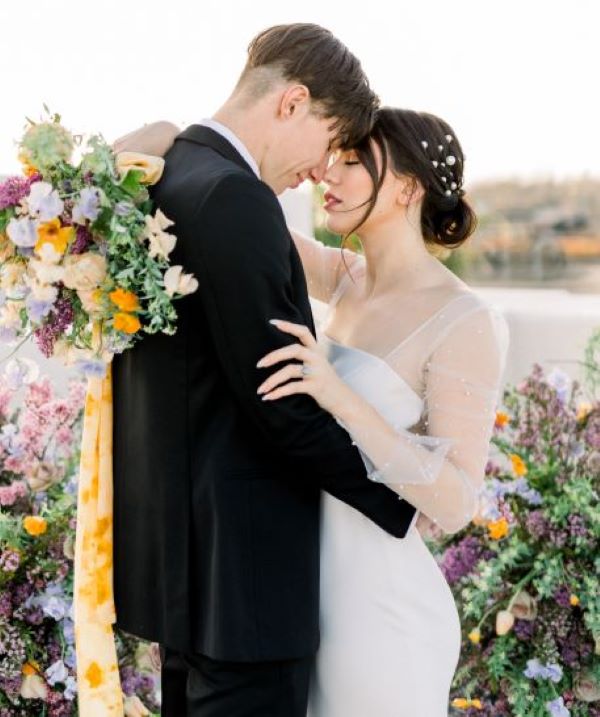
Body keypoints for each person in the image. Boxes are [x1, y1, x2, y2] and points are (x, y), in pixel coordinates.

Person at [128, 106, 510, 716]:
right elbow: (222, 206)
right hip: (298, 597)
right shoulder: (345, 278)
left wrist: (340, 397)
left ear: (408, 187)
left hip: (380, 616)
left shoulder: (465, 321)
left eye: (353, 162)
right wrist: (162, 141)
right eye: (333, 157)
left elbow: (457, 501)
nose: (328, 174)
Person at [111, 24, 417, 717]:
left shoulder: (161, 172)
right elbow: (279, 397)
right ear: (293, 102)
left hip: (183, 574)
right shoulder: (236, 197)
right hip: (246, 585)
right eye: (330, 140)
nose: (321, 170)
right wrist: (403, 496)